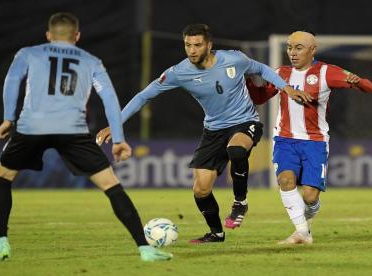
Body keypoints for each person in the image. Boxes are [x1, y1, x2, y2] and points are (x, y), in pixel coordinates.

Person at [96, 24, 310, 243]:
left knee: (236, 149)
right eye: (188, 45)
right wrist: (115, 124)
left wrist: (286, 88)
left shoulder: (234, 60)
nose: (192, 50)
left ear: (209, 45)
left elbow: (262, 69)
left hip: (245, 122)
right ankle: (216, 233)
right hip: (213, 130)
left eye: (197, 45)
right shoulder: (179, 72)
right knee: (200, 189)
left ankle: (240, 202)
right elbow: (144, 96)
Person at [0, 12, 172, 262]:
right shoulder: (91, 61)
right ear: (77, 36)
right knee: (112, 186)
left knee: (3, 178)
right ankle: (145, 249)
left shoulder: (28, 53)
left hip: (32, 127)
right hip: (73, 131)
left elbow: (12, 82)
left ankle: (1, 242)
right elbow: (109, 97)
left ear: (48, 35)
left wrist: (8, 118)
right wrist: (118, 138)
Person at [247, 30, 372, 244]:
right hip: (285, 139)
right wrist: (250, 82)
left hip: (315, 142)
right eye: (289, 47)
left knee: (310, 196)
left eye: (299, 48)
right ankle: (302, 233)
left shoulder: (327, 72)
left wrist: (358, 82)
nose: (292, 53)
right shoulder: (281, 73)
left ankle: (306, 221)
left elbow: (369, 88)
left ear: (312, 49)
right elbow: (260, 98)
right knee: (285, 179)